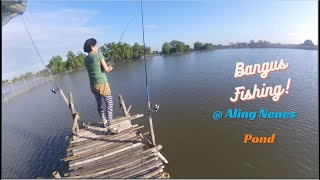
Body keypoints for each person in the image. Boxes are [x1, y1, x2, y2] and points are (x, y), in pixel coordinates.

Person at [83, 38, 118, 134]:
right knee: (109, 104)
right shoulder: (98, 55)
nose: (98, 47)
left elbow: (96, 69)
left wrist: (104, 69)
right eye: (96, 45)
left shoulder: (85, 60)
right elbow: (106, 69)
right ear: (92, 46)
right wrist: (111, 68)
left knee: (99, 104)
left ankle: (104, 121)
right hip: (102, 84)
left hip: (93, 85)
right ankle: (110, 126)